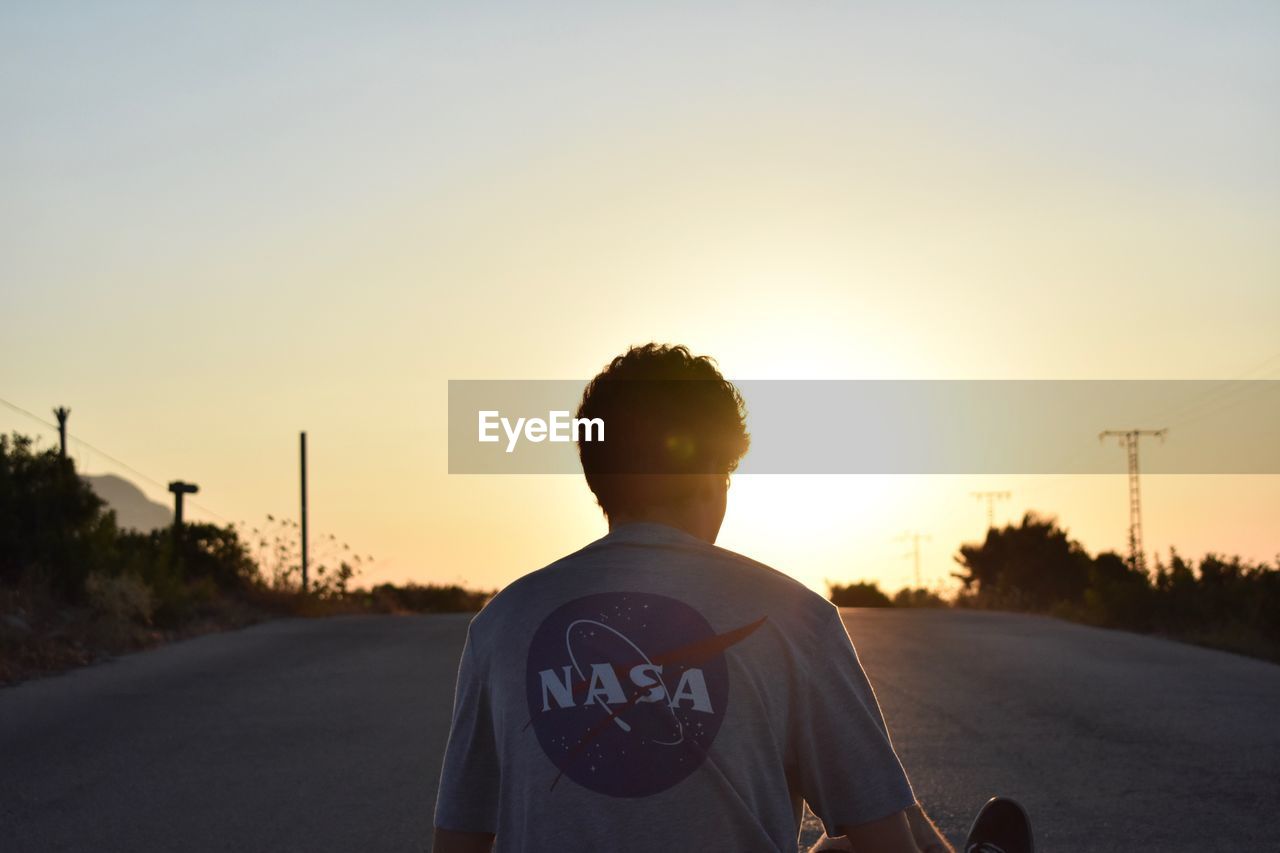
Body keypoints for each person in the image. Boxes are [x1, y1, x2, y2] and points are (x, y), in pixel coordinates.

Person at [433, 343, 955, 853]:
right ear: (714, 476)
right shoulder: (795, 617)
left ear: (597, 479)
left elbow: (458, 838)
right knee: (877, 804)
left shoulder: (500, 624)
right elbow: (885, 842)